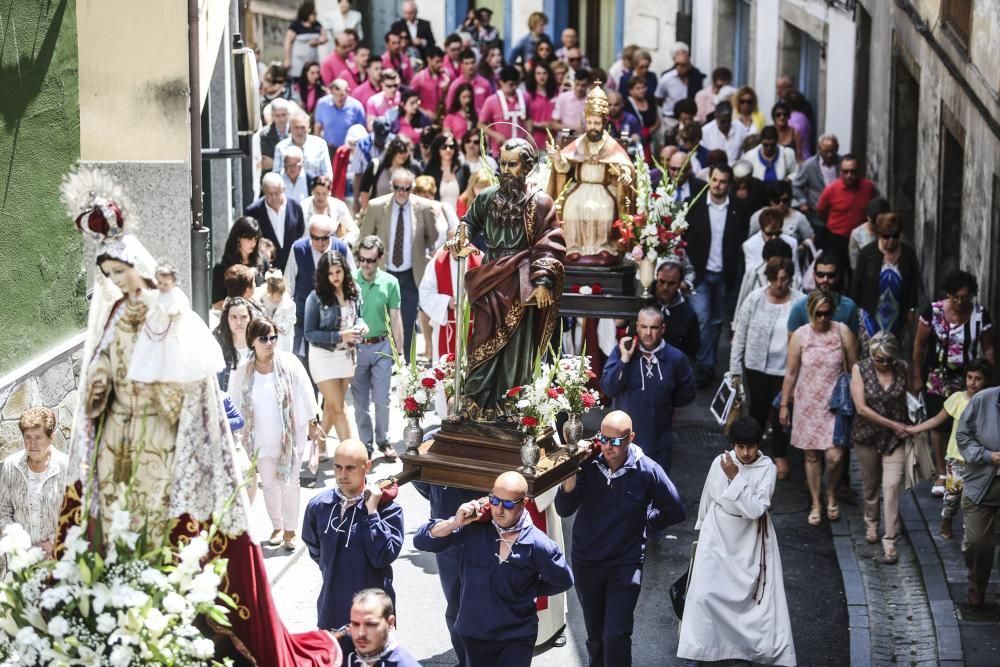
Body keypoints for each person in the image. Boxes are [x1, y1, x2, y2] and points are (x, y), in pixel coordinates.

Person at [61, 172, 341, 664]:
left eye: (122, 274)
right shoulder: (110, 325)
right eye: (108, 274)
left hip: (177, 479)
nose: (117, 284)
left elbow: (193, 405)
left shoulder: (174, 329)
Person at [444, 137, 566, 415]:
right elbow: (467, 222)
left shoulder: (540, 202)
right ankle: (475, 400)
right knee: (482, 339)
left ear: (528, 167)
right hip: (490, 277)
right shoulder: (486, 197)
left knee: (516, 349)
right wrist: (459, 238)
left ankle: (512, 405)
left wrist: (544, 281)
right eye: (503, 164)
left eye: (513, 165)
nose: (506, 170)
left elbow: (550, 241)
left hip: (522, 282)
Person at [555, 410, 685, 667]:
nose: (607, 446)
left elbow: (675, 509)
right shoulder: (588, 463)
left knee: (616, 634)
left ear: (630, 438)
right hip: (587, 561)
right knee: (595, 636)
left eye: (615, 441)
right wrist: (570, 471)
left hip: (624, 564)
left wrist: (649, 520)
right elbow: (564, 509)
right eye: (603, 439)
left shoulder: (647, 470)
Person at [413, 471, 574, 667]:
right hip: (475, 633)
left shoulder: (538, 544)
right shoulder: (474, 527)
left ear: (524, 503)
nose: (499, 509)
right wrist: (454, 522)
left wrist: (527, 588)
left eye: (508, 504)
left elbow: (563, 580)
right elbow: (422, 540)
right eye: (495, 501)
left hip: (517, 636)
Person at [676, 417, 797, 666]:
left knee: (751, 599)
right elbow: (708, 497)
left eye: (750, 447)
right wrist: (702, 532)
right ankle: (698, 649)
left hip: (750, 538)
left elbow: (755, 510)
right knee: (704, 593)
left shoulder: (767, 469)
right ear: (733, 445)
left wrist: (735, 477)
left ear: (758, 444)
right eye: (740, 447)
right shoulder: (719, 463)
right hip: (717, 531)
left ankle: (747, 650)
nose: (745, 453)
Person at [230, 317, 316, 550]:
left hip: (289, 438)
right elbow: (234, 402)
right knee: (268, 484)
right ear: (252, 342)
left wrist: (312, 421)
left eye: (273, 337)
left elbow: (306, 392)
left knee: (291, 483)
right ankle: (277, 526)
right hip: (260, 440)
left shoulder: (289, 362)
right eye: (264, 338)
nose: (270, 343)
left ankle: (290, 530)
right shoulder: (243, 371)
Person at [301, 440, 404, 632]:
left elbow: (383, 556)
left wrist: (372, 512)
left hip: (373, 617)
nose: (342, 475)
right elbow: (314, 548)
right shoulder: (318, 506)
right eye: (338, 467)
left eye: (350, 468)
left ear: (367, 467)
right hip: (331, 610)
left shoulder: (388, 510)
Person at [781, 289, 859, 526]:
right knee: (812, 455)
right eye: (818, 314)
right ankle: (816, 501)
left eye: (827, 314)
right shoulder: (801, 336)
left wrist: (858, 401)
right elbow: (791, 372)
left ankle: (831, 492)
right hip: (808, 403)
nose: (823, 319)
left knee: (835, 457)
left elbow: (854, 368)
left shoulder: (842, 332)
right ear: (810, 312)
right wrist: (785, 404)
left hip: (835, 404)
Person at [911, 270, 995, 491]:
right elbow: (919, 345)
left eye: (965, 297)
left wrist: (990, 376)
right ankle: (941, 472)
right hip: (937, 376)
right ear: (948, 294)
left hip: (967, 377)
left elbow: (988, 348)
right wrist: (917, 375)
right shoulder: (934, 311)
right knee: (939, 425)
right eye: (955, 296)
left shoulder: (980, 315)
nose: (960, 301)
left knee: (966, 422)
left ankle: (964, 470)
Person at [546, 83, 634, 266]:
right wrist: (557, 159)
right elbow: (564, 167)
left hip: (604, 189)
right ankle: (574, 247)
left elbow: (625, 164)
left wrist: (625, 173)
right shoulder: (579, 143)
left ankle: (604, 247)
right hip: (579, 188)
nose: (593, 127)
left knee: (604, 209)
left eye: (597, 123)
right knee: (572, 208)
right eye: (590, 123)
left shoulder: (610, 145)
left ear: (605, 123)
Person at [600, 307, 696, 474]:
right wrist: (624, 360)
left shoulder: (676, 358)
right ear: (637, 326)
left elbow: (686, 395)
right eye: (644, 327)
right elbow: (608, 388)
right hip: (623, 444)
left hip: (659, 442)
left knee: (657, 492)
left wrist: (662, 401)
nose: (648, 333)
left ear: (663, 329)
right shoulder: (621, 351)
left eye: (654, 327)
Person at [359, 168, 442, 361]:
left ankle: (405, 363)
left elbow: (433, 236)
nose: (401, 192)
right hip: (383, 271)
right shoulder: (377, 206)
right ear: (392, 187)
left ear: (412, 188)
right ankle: (382, 359)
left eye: (406, 188)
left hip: (410, 272)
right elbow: (365, 236)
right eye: (397, 188)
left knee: (407, 319)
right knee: (381, 317)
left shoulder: (423, 206)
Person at [731, 257, 802, 479]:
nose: (780, 284)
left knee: (783, 412)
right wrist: (735, 369)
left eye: (785, 279)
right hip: (757, 367)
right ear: (769, 279)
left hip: (786, 369)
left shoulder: (800, 301)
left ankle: (780, 454)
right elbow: (740, 333)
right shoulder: (755, 299)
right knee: (759, 409)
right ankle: (753, 450)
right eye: (776, 279)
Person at [909, 359, 992, 539]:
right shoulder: (957, 399)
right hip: (956, 458)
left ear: (985, 381)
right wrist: (913, 429)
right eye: (970, 377)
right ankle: (946, 518)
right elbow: (936, 420)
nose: (972, 382)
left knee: (971, 501)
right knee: (952, 497)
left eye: (978, 378)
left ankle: (969, 533)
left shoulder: (989, 403)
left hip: (978, 460)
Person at [846, 331, 910, 563]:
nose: (883, 363)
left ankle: (890, 539)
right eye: (878, 358)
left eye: (887, 359)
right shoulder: (860, 369)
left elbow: (911, 396)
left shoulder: (902, 368)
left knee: (892, 485)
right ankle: (871, 522)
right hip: (868, 435)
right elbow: (861, 408)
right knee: (871, 483)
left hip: (896, 438)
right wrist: (893, 424)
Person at [685, 163, 750, 387]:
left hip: (724, 274)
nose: (717, 185)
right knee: (702, 318)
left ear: (729, 184)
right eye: (714, 180)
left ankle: (708, 362)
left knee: (716, 322)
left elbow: (740, 242)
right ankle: (705, 365)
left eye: (722, 182)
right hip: (701, 273)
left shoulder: (738, 209)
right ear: (709, 180)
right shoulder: (695, 205)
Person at [305, 250, 366, 452]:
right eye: (330, 274)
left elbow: (359, 316)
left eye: (338, 271)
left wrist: (361, 326)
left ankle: (319, 441)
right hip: (323, 356)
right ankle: (351, 456)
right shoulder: (315, 298)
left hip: (347, 355)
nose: (335, 277)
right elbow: (309, 333)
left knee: (332, 405)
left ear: (344, 270)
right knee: (340, 408)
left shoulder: (354, 290)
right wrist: (341, 335)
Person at [353, 236, 404, 459]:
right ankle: (365, 444)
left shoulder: (390, 282)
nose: (365, 265)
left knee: (382, 399)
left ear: (380, 259)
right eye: (362, 259)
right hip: (356, 347)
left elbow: (396, 317)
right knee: (360, 401)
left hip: (382, 344)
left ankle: (383, 440)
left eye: (371, 260)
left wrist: (399, 352)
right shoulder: (351, 280)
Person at [0, 407, 69, 571]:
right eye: (28, 437)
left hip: (59, 561)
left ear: (51, 437)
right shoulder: (11, 465)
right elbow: (3, 511)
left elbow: (78, 513)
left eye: (38, 437)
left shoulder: (66, 467)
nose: (32, 444)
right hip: (23, 562)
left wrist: (53, 543)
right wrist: (20, 544)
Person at [954, 376, 1000, 608]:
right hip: (981, 484)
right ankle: (976, 581)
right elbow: (962, 435)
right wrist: (987, 456)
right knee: (977, 542)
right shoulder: (983, 400)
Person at [850, 212, 921, 343]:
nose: (891, 241)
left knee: (893, 346)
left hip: (897, 312)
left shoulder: (908, 254)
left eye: (895, 236)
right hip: (871, 310)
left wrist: (911, 309)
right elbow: (857, 282)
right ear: (878, 234)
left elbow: (912, 284)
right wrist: (855, 309)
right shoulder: (868, 253)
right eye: (886, 236)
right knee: (872, 346)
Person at [816, 154, 877, 262]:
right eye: (845, 171)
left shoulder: (868, 187)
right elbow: (821, 211)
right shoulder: (831, 189)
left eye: (853, 171)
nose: (849, 175)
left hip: (861, 238)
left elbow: (875, 207)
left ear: (858, 171)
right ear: (840, 172)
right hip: (836, 238)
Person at [787, 251, 860, 335]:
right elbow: (792, 343)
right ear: (814, 275)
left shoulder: (849, 307)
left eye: (830, 275)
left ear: (837, 276)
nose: (825, 279)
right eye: (820, 275)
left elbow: (854, 343)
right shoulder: (799, 307)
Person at [245, 172, 307, 271]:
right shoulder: (253, 211)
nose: (273, 198)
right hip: (267, 267)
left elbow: (300, 231)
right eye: (269, 194)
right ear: (263, 191)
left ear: (283, 190)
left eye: (277, 193)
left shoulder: (295, 206)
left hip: (293, 266)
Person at [343, 589, 420, 666]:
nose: (361, 633)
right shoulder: (338, 648)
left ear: (390, 623)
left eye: (370, 624)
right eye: (355, 624)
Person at [212, 216, 270, 307]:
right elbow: (216, 304)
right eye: (249, 239)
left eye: (255, 239)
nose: (253, 243)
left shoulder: (263, 262)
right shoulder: (222, 267)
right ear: (238, 238)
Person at [357, 134, 422, 211]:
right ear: (393, 151)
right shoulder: (376, 166)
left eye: (407, 151)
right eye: (401, 151)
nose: (403, 155)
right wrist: (366, 212)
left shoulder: (414, 168)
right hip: (379, 215)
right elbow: (364, 190)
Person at [478, 65, 532, 153]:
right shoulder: (491, 100)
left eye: (516, 84)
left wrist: (529, 133)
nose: (514, 87)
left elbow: (529, 117)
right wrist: (496, 136)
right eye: (511, 84)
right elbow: (480, 124)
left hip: (522, 149)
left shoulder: (525, 97)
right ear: (501, 82)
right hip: (500, 150)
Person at [794, 133, 840, 231]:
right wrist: (803, 201)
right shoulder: (809, 165)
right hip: (816, 213)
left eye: (832, 151)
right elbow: (796, 186)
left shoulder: (841, 164)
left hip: (838, 212)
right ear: (819, 149)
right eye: (826, 151)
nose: (829, 155)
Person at [655, 260, 700, 358]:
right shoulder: (645, 305)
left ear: (679, 284)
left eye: (671, 284)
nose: (665, 287)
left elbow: (692, 349)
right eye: (661, 282)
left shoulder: (688, 314)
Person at [276, 111, 334, 181]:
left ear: (308, 128)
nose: (299, 132)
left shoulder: (320, 144)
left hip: (314, 189)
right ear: (290, 129)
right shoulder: (281, 147)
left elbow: (327, 174)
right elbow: (276, 176)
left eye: (303, 127)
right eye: (296, 127)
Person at [214, 296, 256, 391]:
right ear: (227, 319)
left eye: (243, 317)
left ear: (250, 318)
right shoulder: (219, 348)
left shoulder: (258, 347)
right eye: (233, 317)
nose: (239, 322)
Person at [301, 175, 357, 244]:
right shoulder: (303, 206)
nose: (321, 197)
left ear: (329, 192)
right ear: (312, 192)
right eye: (318, 193)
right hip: (307, 247)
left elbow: (354, 230)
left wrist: (344, 243)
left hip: (331, 251)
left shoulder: (339, 206)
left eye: (324, 194)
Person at [314, 79, 367, 150]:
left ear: (348, 92)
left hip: (349, 149)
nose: (339, 99)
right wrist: (317, 147)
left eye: (342, 95)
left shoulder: (357, 107)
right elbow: (318, 126)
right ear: (331, 92)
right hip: (329, 148)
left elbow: (361, 132)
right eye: (336, 95)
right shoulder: (322, 104)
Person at [255, 268, 297, 354]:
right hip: (264, 334)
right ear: (270, 292)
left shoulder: (288, 304)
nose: (280, 298)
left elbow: (291, 320)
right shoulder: (261, 300)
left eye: (281, 295)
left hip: (282, 337)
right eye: (277, 296)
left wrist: (277, 326)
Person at [655, 46, 703, 120]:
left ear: (689, 64)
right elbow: (658, 98)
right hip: (670, 118)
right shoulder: (667, 78)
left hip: (690, 118)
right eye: (677, 64)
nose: (680, 68)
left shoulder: (695, 78)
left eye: (683, 65)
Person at [284, 3, 327, 83]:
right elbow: (288, 42)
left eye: (315, 14)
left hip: (312, 62)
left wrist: (317, 42)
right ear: (307, 13)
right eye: (313, 14)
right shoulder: (296, 25)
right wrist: (287, 59)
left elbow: (325, 38)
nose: (315, 16)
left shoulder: (317, 25)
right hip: (298, 62)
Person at [423, 132, 467, 210]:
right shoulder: (430, 170)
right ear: (437, 149)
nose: (448, 150)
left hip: (459, 217)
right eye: (443, 147)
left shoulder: (463, 168)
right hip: (437, 216)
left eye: (451, 146)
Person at [847, 196, 890, 272]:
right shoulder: (857, 234)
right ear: (868, 217)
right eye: (874, 223)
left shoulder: (891, 230)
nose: (877, 227)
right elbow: (855, 265)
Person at [444, 48, 493, 112]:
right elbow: (449, 108)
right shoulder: (455, 86)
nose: (470, 66)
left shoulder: (485, 84)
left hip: (481, 120)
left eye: (472, 62)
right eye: (466, 63)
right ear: (461, 65)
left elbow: (491, 107)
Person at [410, 45, 450, 118]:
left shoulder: (446, 75)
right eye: (437, 61)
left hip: (443, 116)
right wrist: (423, 112)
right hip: (424, 117)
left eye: (442, 61)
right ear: (429, 59)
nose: (440, 65)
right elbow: (409, 99)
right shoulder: (419, 78)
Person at [551, 68, 593, 136]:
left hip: (585, 139)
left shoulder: (592, 100)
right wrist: (573, 130)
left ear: (588, 84)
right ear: (574, 82)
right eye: (577, 84)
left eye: (583, 85)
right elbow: (554, 124)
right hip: (566, 137)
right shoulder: (563, 97)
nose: (579, 88)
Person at [260, 98, 292, 177]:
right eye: (277, 116)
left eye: (284, 115)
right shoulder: (264, 135)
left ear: (289, 114)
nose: (281, 119)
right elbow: (266, 163)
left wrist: (274, 162)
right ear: (272, 116)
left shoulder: (296, 130)